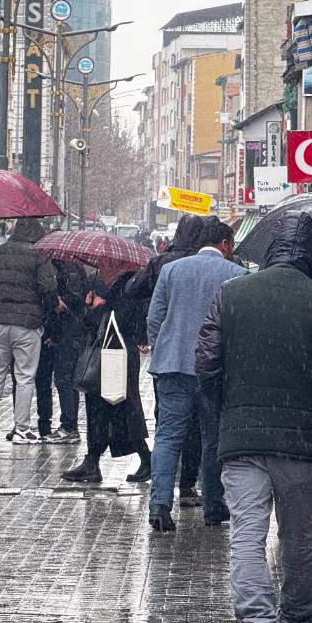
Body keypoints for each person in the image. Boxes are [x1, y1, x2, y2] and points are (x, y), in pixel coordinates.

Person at [195, 211, 312, 623]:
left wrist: (230, 408)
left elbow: (206, 365)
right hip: (302, 445)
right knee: (299, 537)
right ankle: (298, 621)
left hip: (242, 440)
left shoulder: (232, 293)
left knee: (247, 533)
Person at [146, 221, 246, 531]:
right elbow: (238, 326)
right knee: (213, 439)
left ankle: (160, 505)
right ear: (225, 244)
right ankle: (214, 507)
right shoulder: (236, 275)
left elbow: (155, 319)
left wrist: (165, 348)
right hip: (214, 371)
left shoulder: (171, 270)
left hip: (173, 366)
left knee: (168, 436)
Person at [127, 213, 211, 497]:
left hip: (170, 357)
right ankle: (188, 484)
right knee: (198, 426)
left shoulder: (161, 263)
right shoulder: (214, 264)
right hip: (205, 357)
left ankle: (162, 490)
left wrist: (158, 341)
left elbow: (133, 290)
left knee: (167, 424)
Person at [61, 267, 152, 484]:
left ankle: (146, 459)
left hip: (117, 353)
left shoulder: (129, 286)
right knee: (101, 407)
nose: (103, 267)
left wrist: (99, 306)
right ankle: (93, 461)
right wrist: (92, 305)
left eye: (107, 263)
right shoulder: (112, 285)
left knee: (121, 406)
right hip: (110, 351)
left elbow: (120, 319)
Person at [0, 218, 57, 444]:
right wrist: (46, 314)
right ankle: (21, 428)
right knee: (24, 377)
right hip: (28, 324)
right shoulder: (39, 255)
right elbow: (48, 289)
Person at [37, 258, 87, 444]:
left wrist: (59, 301)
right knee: (68, 380)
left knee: (64, 379)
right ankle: (70, 426)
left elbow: (67, 304)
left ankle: (69, 427)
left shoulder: (67, 269)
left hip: (68, 333)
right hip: (72, 331)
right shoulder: (74, 267)